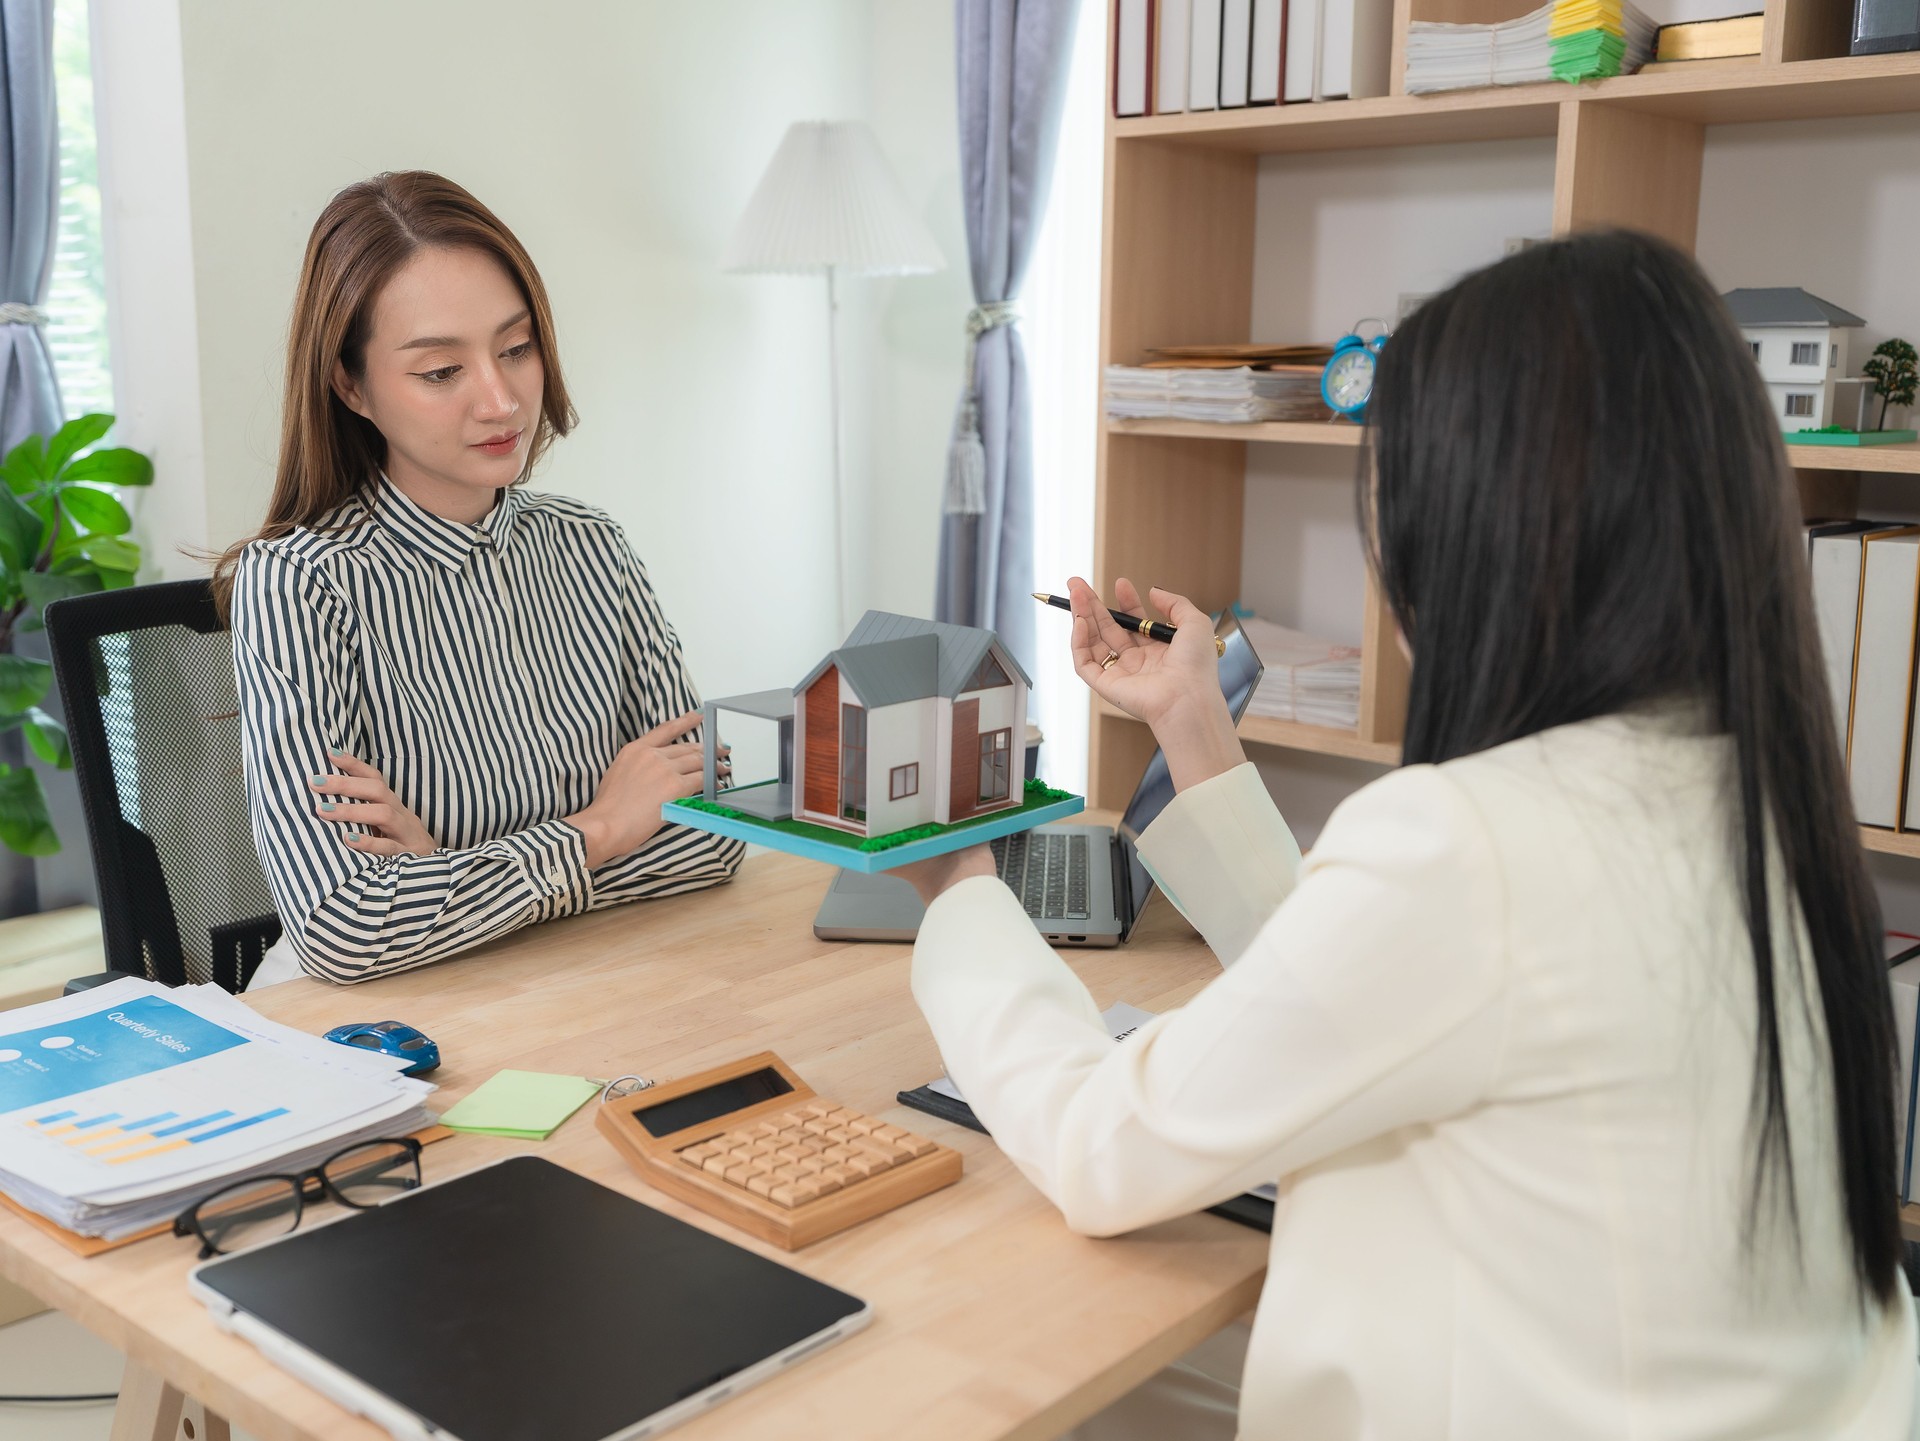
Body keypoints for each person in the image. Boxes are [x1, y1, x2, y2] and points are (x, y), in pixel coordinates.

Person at [899, 230, 1918, 1438]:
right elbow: (1373, 987)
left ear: (1488, 535)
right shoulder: (1745, 792)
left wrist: (958, 882)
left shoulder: (1480, 840)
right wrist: (1191, 723)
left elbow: (1096, 1145)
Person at [218, 171, 742, 987]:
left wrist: (446, 876)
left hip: (588, 978)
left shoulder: (591, 548)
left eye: (515, 348)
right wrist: (602, 827)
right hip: (385, 1024)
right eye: (440, 372)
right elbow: (343, 926)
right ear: (351, 385)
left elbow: (715, 834)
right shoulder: (299, 582)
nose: (501, 401)